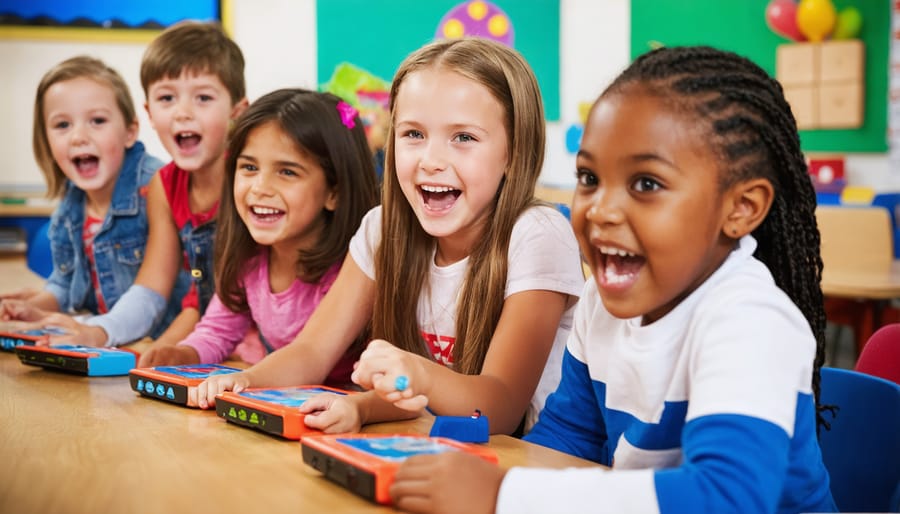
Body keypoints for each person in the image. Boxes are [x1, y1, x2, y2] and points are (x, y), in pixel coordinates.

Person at [385, 46, 837, 514]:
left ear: (740, 208)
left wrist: (503, 494)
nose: (600, 209)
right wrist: (476, 471)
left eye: (646, 184)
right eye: (589, 177)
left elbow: (726, 497)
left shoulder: (751, 322)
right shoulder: (602, 305)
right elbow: (568, 438)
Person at [198, 37, 584, 437]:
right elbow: (313, 351)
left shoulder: (538, 235)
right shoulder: (381, 230)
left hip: (529, 463)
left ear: (514, 151)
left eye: (463, 138)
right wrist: (249, 382)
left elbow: (499, 409)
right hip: (432, 451)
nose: (431, 161)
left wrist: (416, 374)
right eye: (413, 134)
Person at [34, 21, 248, 347]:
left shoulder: (249, 181)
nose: (183, 113)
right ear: (149, 112)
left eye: (203, 97)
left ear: (237, 110)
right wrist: (104, 333)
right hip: (209, 339)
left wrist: (169, 347)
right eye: (167, 98)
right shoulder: (164, 186)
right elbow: (154, 288)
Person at [138, 88, 379, 372]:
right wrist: (182, 354)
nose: (260, 188)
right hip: (289, 396)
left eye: (287, 172)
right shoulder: (249, 259)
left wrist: (249, 380)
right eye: (249, 167)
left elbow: (314, 358)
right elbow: (217, 331)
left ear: (334, 192)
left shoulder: (352, 270)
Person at [0, 56, 181, 337]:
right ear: (46, 140)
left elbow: (151, 296)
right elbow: (64, 283)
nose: (78, 137)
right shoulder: (71, 204)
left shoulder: (156, 186)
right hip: (108, 340)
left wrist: (97, 332)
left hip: (161, 344)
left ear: (130, 132)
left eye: (97, 121)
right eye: (62, 125)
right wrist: (31, 308)